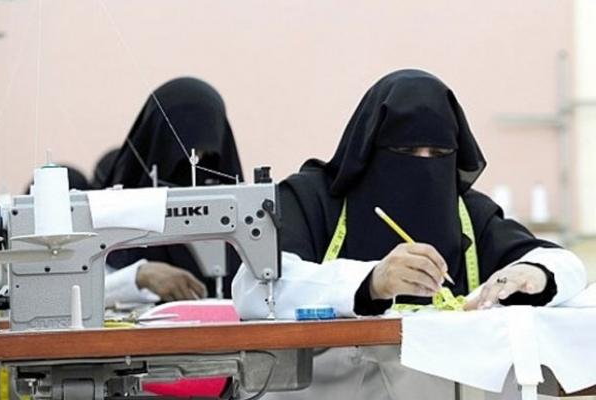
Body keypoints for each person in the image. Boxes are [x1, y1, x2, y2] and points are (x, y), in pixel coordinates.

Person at [232, 69, 586, 399]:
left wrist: (533, 274)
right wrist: (371, 283)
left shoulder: (467, 212)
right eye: (404, 151)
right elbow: (253, 289)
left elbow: (561, 262)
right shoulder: (312, 200)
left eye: (439, 153)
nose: (423, 165)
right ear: (367, 149)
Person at [102, 77, 244, 307]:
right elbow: (75, 295)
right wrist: (139, 277)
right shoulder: (109, 213)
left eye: (206, 156)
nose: (195, 166)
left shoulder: (241, 209)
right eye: (183, 156)